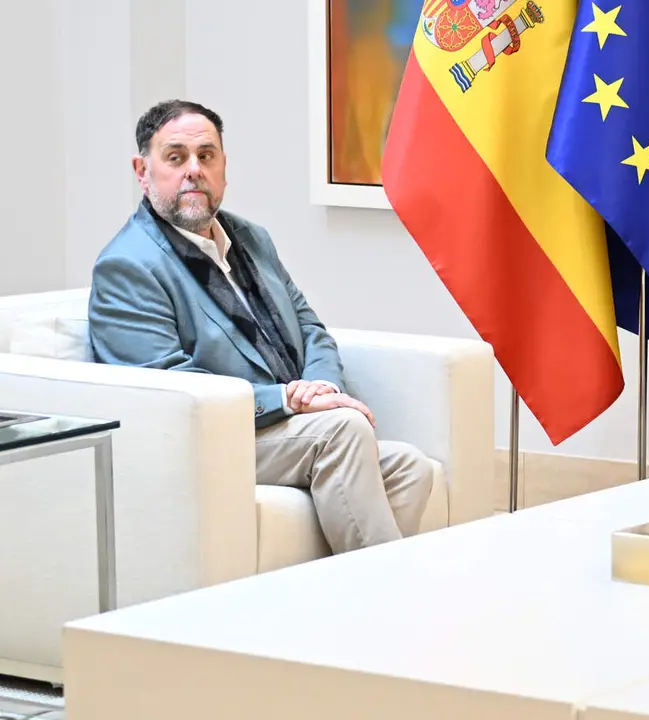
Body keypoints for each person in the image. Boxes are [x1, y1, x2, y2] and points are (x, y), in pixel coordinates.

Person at [87, 99, 433, 554]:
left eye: (206, 156)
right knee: (343, 431)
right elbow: (168, 389)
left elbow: (311, 329)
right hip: (212, 436)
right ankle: (389, 607)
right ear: (142, 170)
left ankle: (336, 604)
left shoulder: (250, 239)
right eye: (176, 157)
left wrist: (320, 389)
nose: (194, 169)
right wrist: (287, 399)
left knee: (411, 467)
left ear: (223, 167)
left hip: (282, 426)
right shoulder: (127, 266)